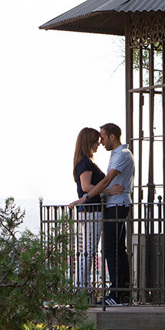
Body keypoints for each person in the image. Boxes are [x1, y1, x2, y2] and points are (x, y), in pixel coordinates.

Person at [71, 122, 133, 305]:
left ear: (111, 137)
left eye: (102, 137)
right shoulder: (102, 159)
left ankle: (117, 294)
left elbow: (106, 181)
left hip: (114, 206)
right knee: (106, 250)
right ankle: (113, 293)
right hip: (101, 209)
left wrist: (87, 196)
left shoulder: (121, 155)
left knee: (110, 250)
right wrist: (100, 193)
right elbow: (99, 184)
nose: (100, 142)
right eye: (97, 140)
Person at [70, 127, 105, 298]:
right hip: (92, 210)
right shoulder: (86, 163)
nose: (98, 144)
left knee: (86, 249)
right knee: (89, 250)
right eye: (95, 140)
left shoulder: (82, 162)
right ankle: (81, 286)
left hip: (87, 211)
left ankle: (81, 285)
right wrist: (108, 190)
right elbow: (86, 187)